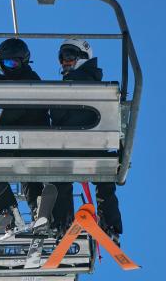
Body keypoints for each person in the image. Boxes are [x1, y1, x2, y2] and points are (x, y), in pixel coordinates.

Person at [0, 39, 49, 226]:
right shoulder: (13, 81)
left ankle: (37, 207)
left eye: (13, 63)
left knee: (30, 174)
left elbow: (13, 108)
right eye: (4, 64)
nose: (9, 68)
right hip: (16, 141)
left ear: (24, 61)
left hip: (34, 138)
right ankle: (9, 208)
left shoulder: (30, 81)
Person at [50, 39, 123, 244]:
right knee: (105, 182)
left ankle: (61, 224)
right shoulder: (96, 82)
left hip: (72, 146)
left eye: (70, 56)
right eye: (62, 57)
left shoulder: (73, 83)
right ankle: (110, 225)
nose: (65, 62)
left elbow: (58, 114)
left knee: (59, 176)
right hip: (98, 147)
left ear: (83, 57)